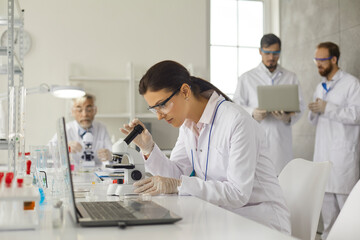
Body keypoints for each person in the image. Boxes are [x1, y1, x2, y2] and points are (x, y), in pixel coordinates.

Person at [121, 60, 291, 234]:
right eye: (153, 109)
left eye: (162, 105)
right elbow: (176, 175)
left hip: (260, 222)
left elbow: (238, 193)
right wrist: (148, 148)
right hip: (223, 215)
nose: (159, 116)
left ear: (185, 91)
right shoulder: (188, 126)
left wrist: (179, 185)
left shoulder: (236, 121)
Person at [308, 42, 360, 240]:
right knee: (328, 221)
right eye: (316, 60)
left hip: (343, 158)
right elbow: (315, 121)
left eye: (321, 60)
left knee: (350, 219)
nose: (318, 65)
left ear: (334, 59)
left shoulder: (351, 84)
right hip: (323, 157)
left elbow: (357, 115)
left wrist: (328, 108)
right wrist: (315, 111)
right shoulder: (320, 87)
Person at [233, 33, 305, 175]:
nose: (271, 57)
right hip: (255, 141)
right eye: (267, 53)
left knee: (282, 184)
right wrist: (253, 113)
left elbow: (300, 106)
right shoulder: (247, 78)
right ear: (260, 51)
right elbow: (236, 107)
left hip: (281, 144)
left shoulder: (291, 77)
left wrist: (287, 117)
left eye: (275, 53)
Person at [50, 94, 112, 166]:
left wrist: (110, 156)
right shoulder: (66, 129)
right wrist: (64, 148)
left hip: (96, 173)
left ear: (95, 110)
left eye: (89, 110)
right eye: (79, 110)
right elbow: (49, 150)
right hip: (74, 173)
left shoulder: (102, 128)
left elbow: (113, 153)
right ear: (72, 112)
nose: (84, 114)